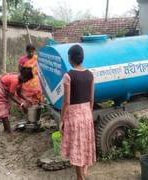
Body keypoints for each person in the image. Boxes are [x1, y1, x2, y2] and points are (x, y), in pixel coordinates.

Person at [60, 44, 96, 180]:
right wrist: (87, 111)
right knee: (85, 144)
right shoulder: (90, 75)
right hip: (87, 114)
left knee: (76, 148)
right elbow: (92, 99)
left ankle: (80, 177)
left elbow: (66, 102)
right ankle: (83, 173)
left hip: (74, 116)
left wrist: (62, 120)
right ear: (82, 58)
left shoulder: (68, 76)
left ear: (70, 58)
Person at [0, 67, 33, 133]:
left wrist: (27, 99)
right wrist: (21, 104)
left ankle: (6, 129)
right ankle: (8, 131)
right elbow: (11, 96)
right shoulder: (15, 80)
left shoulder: (20, 81)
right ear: (24, 77)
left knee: (6, 109)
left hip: (5, 91)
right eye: (27, 79)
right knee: (3, 110)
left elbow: (19, 93)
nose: (27, 81)